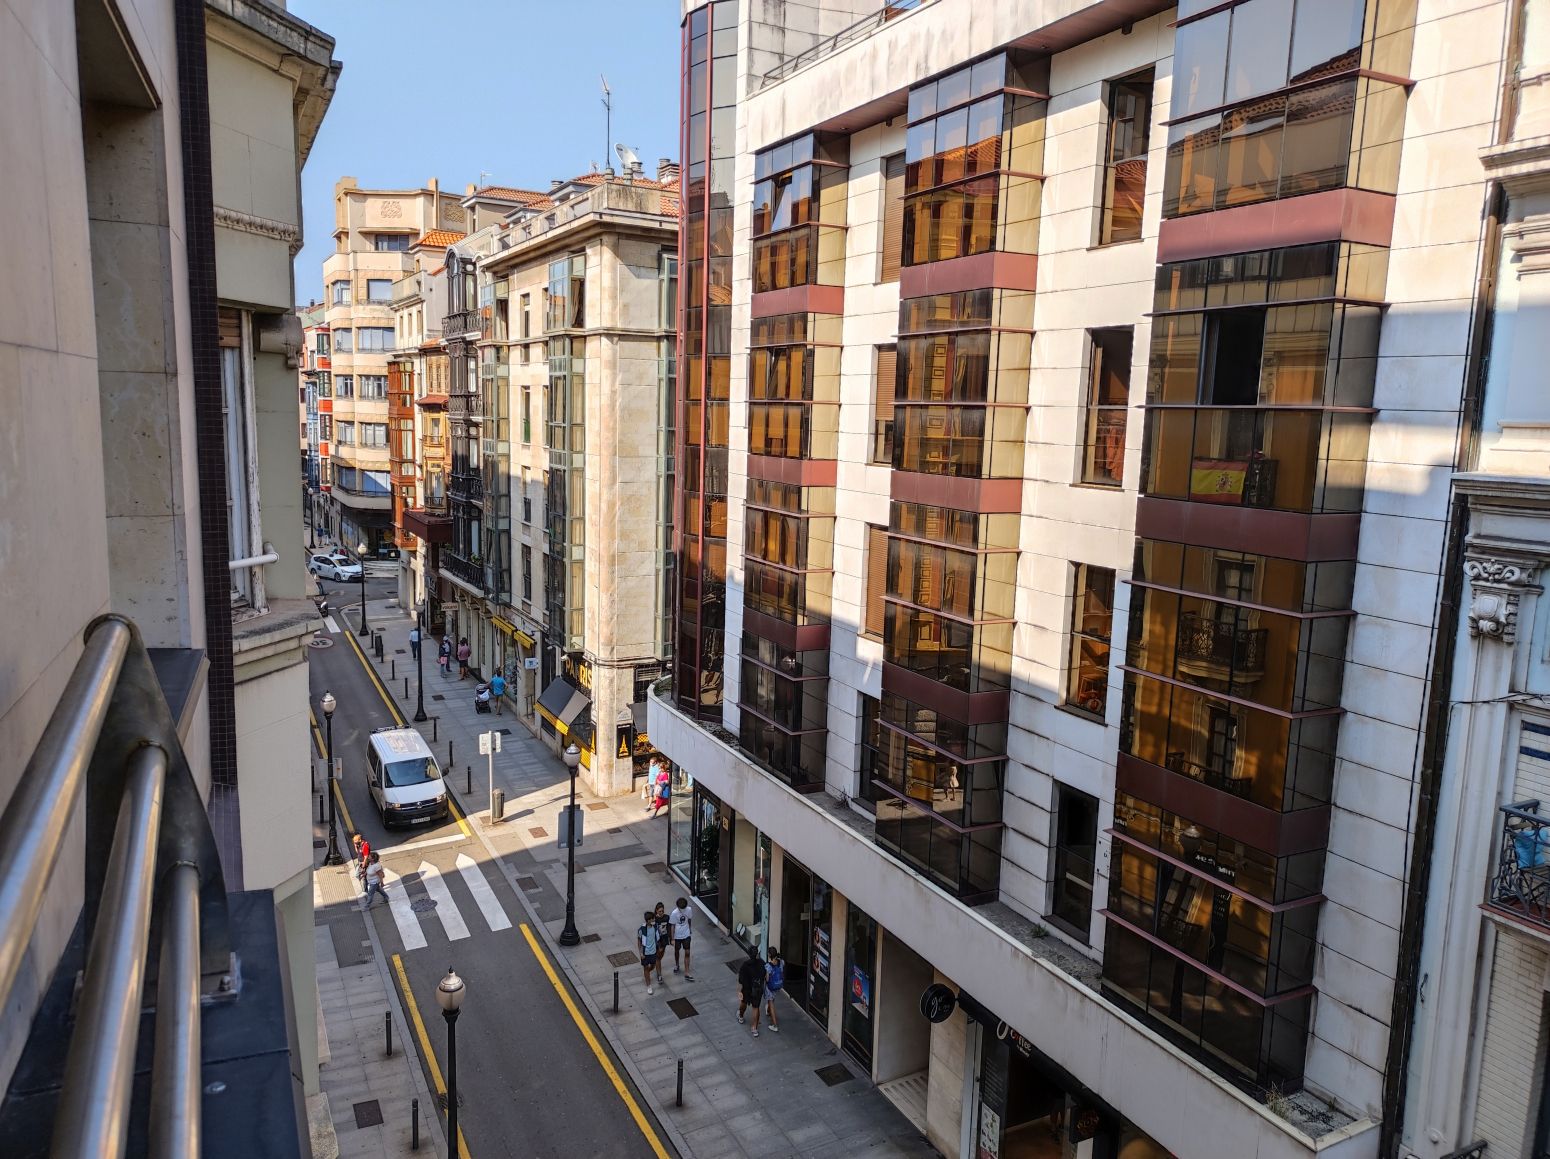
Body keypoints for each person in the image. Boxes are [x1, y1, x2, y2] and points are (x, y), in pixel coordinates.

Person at [737, 945, 766, 1037]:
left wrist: (739, 991)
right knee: (756, 1008)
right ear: (757, 953)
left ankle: (741, 1016)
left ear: (749, 954)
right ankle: (754, 1028)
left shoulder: (745, 965)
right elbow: (765, 975)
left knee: (744, 1003)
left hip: (747, 989)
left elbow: (741, 979)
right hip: (757, 989)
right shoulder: (761, 963)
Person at [669, 897, 694, 980]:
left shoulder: (689, 909)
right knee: (677, 951)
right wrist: (672, 938)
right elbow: (672, 926)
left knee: (687, 952)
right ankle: (677, 964)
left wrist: (690, 928)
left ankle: (687, 971)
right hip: (677, 935)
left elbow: (689, 919)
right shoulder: (674, 913)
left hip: (686, 934)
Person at [637, 909, 661, 996]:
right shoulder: (642, 929)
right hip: (645, 953)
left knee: (653, 966)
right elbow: (639, 941)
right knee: (646, 968)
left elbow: (657, 937)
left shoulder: (655, 927)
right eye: (652, 919)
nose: (654, 920)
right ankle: (649, 985)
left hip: (653, 951)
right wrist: (641, 953)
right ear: (648, 920)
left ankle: (646, 974)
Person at [762, 949, 783, 1033]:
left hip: (770, 987)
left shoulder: (768, 966)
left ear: (769, 955)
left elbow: (767, 979)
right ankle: (768, 1011)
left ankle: (775, 1025)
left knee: (771, 1004)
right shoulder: (781, 962)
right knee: (771, 999)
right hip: (778, 984)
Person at [651, 902, 671, 986]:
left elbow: (669, 928)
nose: (661, 913)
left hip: (664, 939)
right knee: (658, 956)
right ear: (656, 911)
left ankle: (656, 964)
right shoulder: (654, 919)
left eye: (662, 911)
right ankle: (659, 975)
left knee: (660, 955)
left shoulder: (667, 917)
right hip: (657, 940)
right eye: (660, 911)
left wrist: (671, 938)